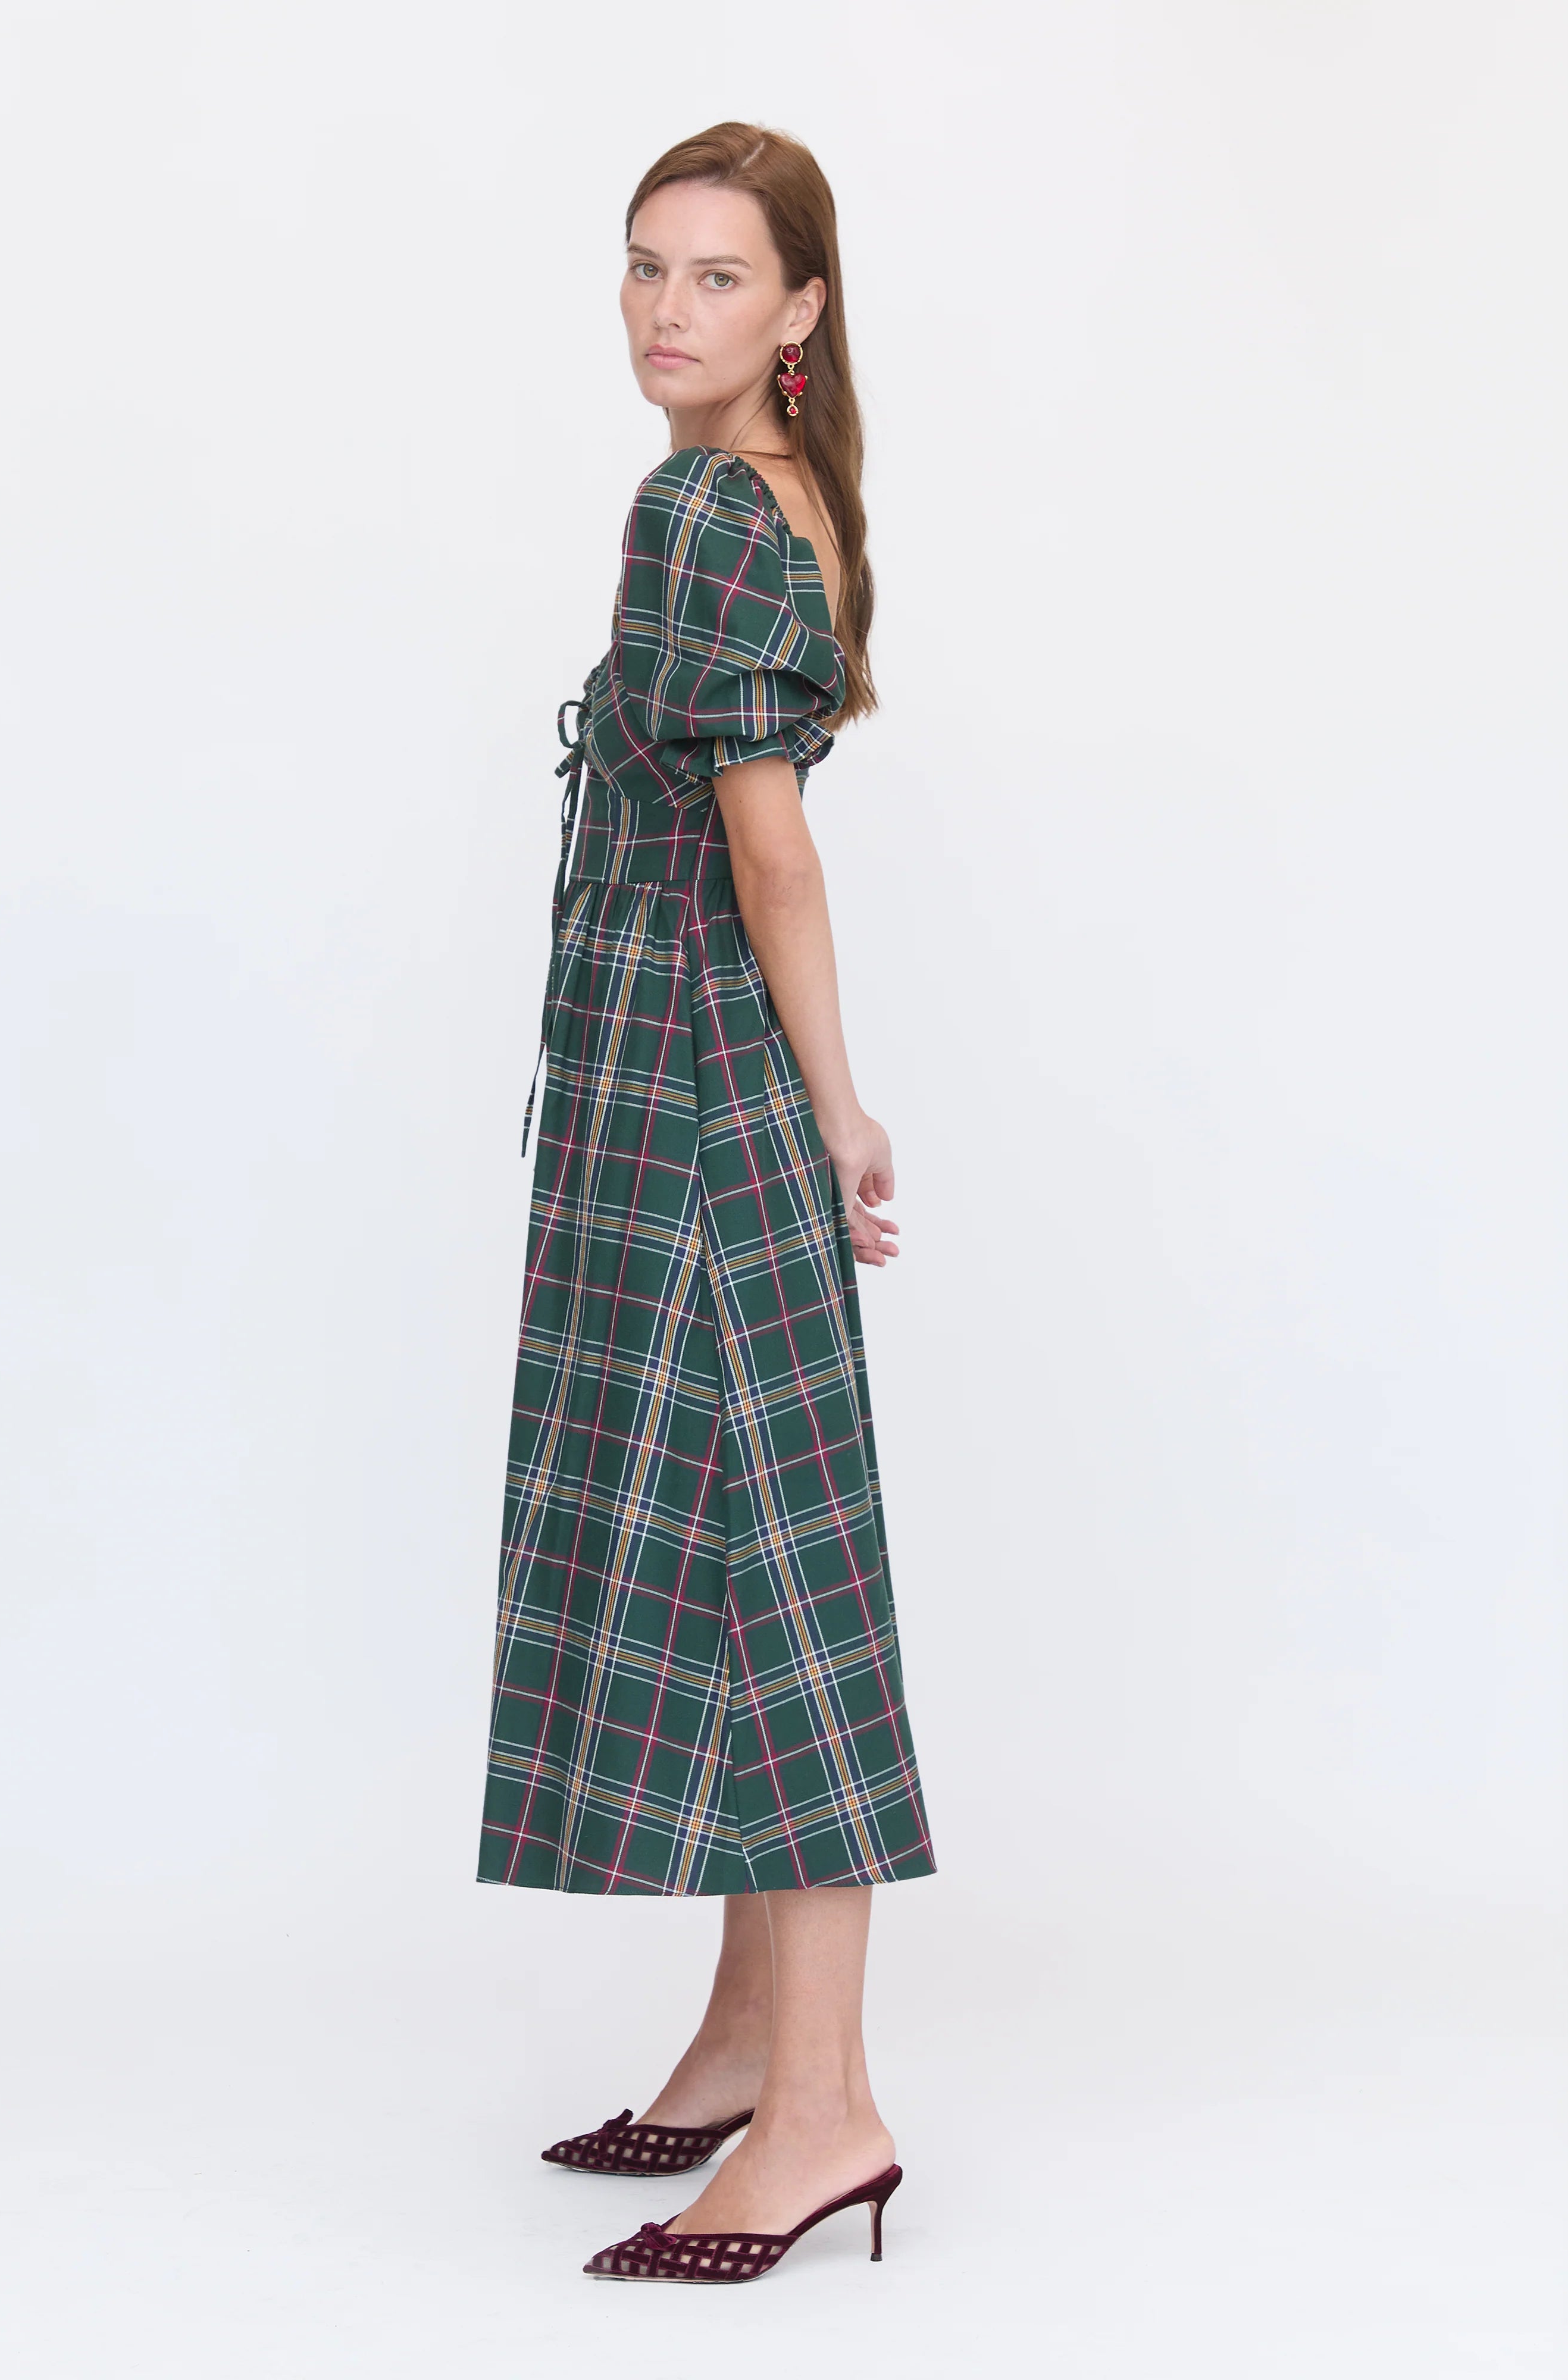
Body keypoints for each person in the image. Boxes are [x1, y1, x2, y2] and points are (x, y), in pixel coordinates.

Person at [477, 121, 935, 2287]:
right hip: (695, 1075)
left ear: (799, 311)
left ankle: (826, 2114)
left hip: (689, 1089)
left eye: (719, 277)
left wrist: (834, 1107)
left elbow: (771, 853)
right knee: (754, 1551)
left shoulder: (699, 511)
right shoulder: (781, 500)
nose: (666, 310)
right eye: (645, 267)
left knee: (769, 1591)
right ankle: (754, 2040)